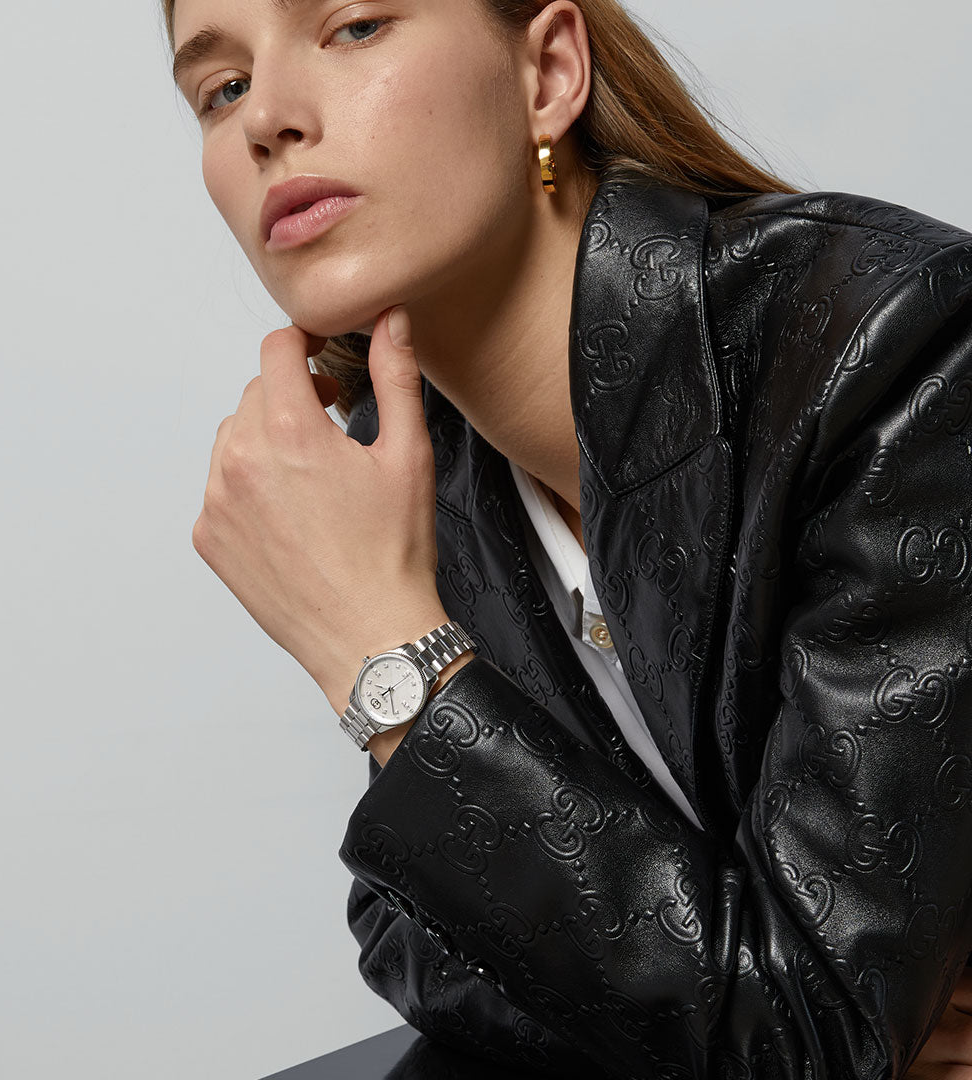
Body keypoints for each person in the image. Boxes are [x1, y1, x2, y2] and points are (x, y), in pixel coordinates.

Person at [163, 0, 972, 1074]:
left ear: (546, 73)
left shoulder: (888, 346)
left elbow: (805, 1032)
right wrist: (769, 1001)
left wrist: (384, 652)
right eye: (219, 89)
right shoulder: (408, 468)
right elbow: (404, 929)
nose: (265, 116)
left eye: (353, 25)